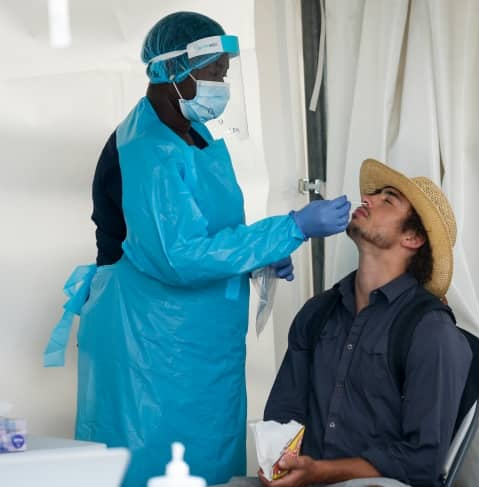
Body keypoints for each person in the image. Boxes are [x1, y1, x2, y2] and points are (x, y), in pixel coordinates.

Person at [43, 11, 351, 487]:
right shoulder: (146, 148)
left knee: (208, 466)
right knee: (148, 465)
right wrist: (288, 229)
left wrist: (258, 255)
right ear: (173, 72)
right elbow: (178, 255)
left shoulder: (193, 134)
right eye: (213, 74)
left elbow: (210, 231)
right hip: (146, 344)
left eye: (225, 74)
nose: (221, 85)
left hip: (200, 348)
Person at [217, 158, 474, 487]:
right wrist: (278, 463)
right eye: (372, 195)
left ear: (412, 238)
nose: (368, 199)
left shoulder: (430, 330)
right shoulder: (317, 313)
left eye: (388, 200)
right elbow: (284, 417)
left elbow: (422, 462)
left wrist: (323, 472)